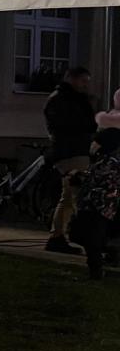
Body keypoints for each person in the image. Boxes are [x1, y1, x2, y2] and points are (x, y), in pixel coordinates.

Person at [44, 66, 95, 254]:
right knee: (78, 196)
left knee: (67, 197)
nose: (85, 85)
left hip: (73, 151)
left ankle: (57, 237)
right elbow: (68, 126)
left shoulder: (70, 99)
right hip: (71, 152)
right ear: (71, 78)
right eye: (83, 81)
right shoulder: (62, 100)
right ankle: (87, 238)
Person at [74, 89, 120, 279]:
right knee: (97, 232)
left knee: (91, 231)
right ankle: (105, 257)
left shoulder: (108, 155)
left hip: (100, 199)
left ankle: (97, 267)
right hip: (105, 199)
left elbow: (99, 175)